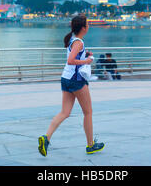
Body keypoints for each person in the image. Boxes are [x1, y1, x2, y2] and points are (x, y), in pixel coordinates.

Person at [38, 14, 105, 157]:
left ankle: (46, 138)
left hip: (66, 78)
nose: (89, 26)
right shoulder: (78, 42)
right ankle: (90, 145)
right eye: (87, 24)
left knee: (65, 112)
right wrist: (86, 61)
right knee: (88, 112)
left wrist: (84, 55)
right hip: (76, 80)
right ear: (83, 27)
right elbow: (70, 60)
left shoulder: (73, 40)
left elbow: (74, 56)